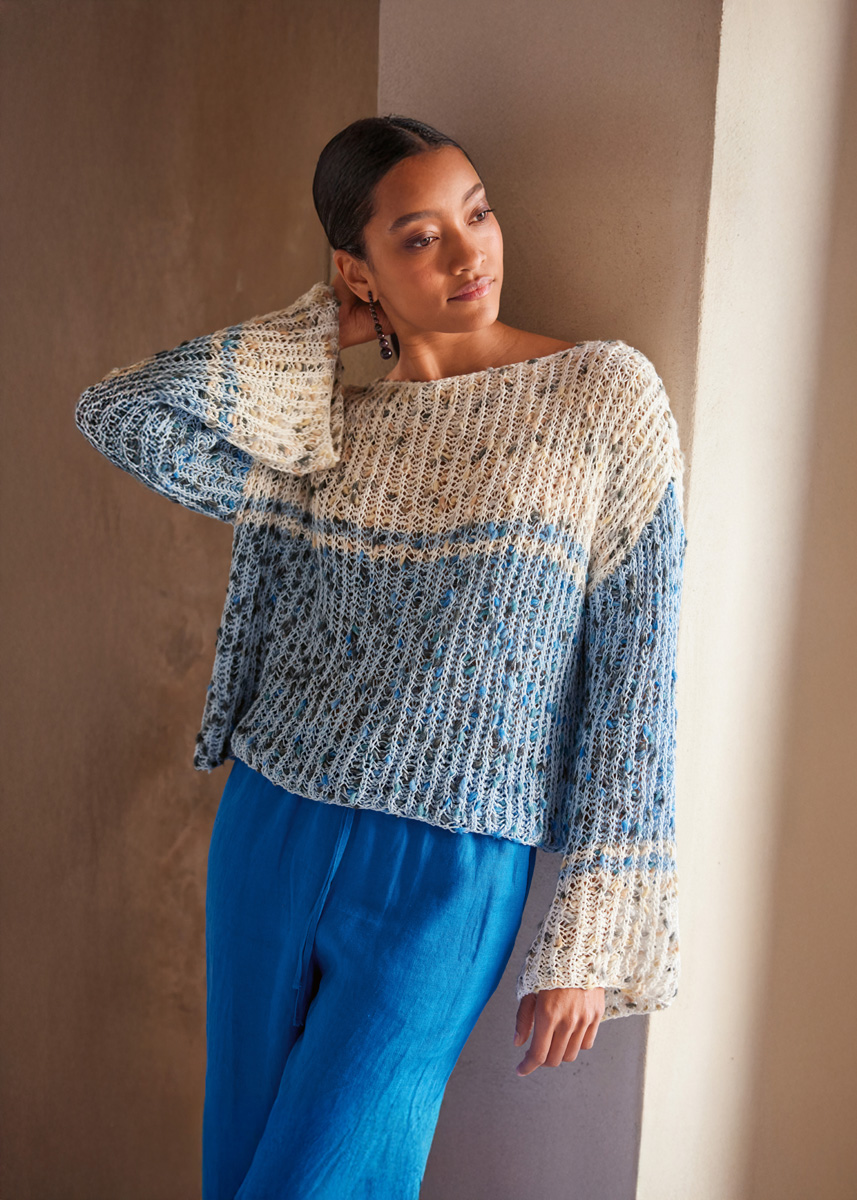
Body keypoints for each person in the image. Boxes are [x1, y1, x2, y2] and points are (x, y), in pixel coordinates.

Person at [75, 114, 688, 1199]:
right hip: (274, 823)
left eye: (477, 214)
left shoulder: (601, 397)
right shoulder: (323, 429)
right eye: (418, 238)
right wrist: (323, 331)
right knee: (240, 1168)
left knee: (322, 1178)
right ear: (356, 270)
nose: (468, 254)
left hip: (449, 868)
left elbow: (635, 680)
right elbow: (124, 413)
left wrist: (589, 936)